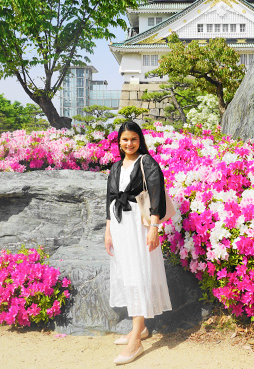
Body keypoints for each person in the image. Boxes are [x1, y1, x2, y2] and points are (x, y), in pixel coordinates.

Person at [105, 121, 172, 365]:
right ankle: (140, 329)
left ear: (139, 139)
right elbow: (110, 200)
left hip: (138, 225)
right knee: (127, 273)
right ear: (119, 142)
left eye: (133, 139)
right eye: (124, 140)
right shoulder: (115, 167)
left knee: (139, 273)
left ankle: (137, 339)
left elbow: (156, 195)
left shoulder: (147, 163)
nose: (129, 144)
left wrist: (154, 227)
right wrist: (108, 231)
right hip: (120, 226)